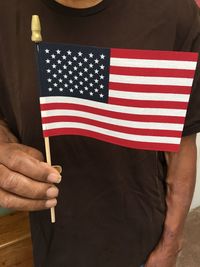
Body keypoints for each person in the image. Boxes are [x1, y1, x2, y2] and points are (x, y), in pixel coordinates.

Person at [0, 0, 200, 266]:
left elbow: (182, 144)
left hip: (141, 247)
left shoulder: (176, 12)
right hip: (51, 243)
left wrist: (171, 244)